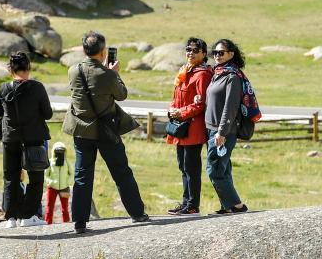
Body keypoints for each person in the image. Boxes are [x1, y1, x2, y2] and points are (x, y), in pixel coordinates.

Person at [63, 31, 149, 234]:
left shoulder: (73, 70)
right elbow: (122, 95)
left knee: (82, 175)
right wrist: (114, 73)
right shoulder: (108, 74)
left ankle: (80, 222)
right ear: (103, 52)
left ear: (84, 50)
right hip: (106, 130)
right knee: (121, 171)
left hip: (81, 130)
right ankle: (137, 213)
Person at [0, 51, 53, 228]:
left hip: (10, 138)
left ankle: (10, 217)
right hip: (33, 138)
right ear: (29, 67)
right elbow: (47, 114)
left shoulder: (3, 88)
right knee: (36, 178)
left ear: (10, 69)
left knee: (10, 177)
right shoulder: (37, 87)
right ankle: (28, 216)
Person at [166, 38, 213, 216]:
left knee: (191, 168)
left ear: (203, 54)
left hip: (192, 129)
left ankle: (193, 205)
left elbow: (201, 104)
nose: (190, 53)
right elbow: (177, 96)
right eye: (188, 49)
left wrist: (181, 112)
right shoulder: (185, 71)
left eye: (195, 50)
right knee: (183, 167)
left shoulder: (202, 74)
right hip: (181, 127)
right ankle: (186, 202)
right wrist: (171, 108)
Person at [205, 38, 250, 215]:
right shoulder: (218, 73)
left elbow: (230, 108)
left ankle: (237, 206)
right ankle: (227, 205)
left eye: (221, 53)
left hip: (223, 130)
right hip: (212, 129)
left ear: (231, 54)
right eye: (215, 53)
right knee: (223, 168)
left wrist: (222, 132)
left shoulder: (232, 77)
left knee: (214, 169)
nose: (217, 56)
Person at [44, 141, 72, 224]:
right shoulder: (50, 162)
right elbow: (46, 175)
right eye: (58, 151)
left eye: (62, 151)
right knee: (49, 207)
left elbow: (72, 173)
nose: (60, 152)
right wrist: (51, 182)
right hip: (52, 188)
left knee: (65, 208)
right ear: (54, 151)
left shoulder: (67, 162)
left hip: (64, 187)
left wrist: (67, 182)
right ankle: (47, 223)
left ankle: (66, 223)